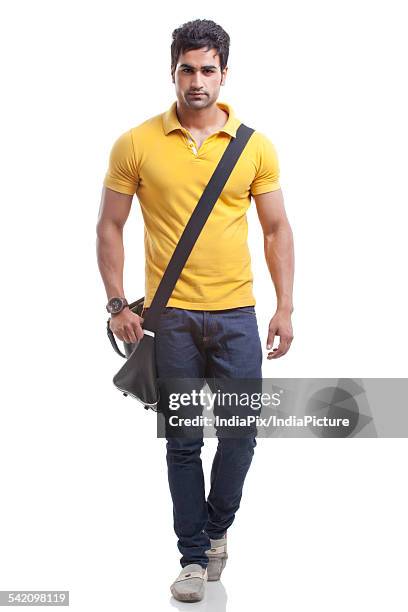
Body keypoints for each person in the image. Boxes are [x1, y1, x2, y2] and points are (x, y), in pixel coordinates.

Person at [96, 18, 294, 603]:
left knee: (240, 437)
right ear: (173, 71)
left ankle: (216, 527)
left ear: (224, 72)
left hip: (236, 316)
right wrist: (115, 304)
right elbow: (109, 225)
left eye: (208, 69)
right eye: (187, 69)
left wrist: (285, 307)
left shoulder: (254, 144)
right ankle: (192, 557)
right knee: (182, 441)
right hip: (171, 320)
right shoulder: (136, 142)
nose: (197, 81)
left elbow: (277, 228)